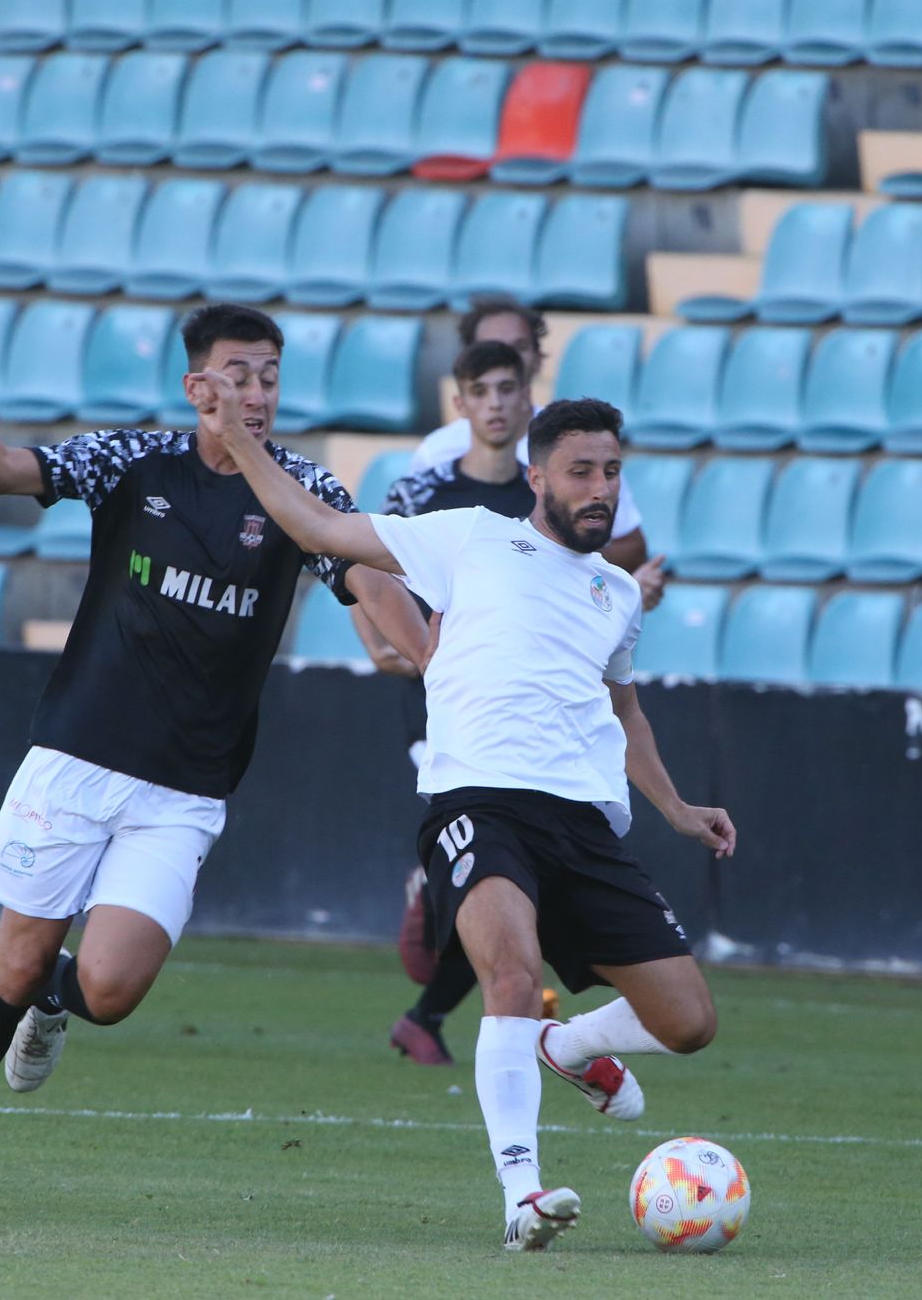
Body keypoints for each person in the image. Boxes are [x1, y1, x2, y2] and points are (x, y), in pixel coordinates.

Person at [0, 304, 431, 1213]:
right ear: (197, 386)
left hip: (185, 787)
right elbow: (5, 471)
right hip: (79, 755)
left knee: (112, 985)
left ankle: (58, 1000)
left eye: (270, 376)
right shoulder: (133, 461)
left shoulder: (301, 489)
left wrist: (428, 655)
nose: (257, 393)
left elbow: (369, 575)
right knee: (11, 961)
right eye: (239, 375)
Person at [199, 379, 737, 1251]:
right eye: (580, 472)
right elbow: (324, 532)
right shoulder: (468, 537)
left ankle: (565, 1050)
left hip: (585, 826)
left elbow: (624, 709)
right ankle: (523, 1195)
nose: (599, 489)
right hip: (480, 801)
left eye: (610, 472)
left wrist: (675, 808)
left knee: (688, 1022)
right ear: (537, 478)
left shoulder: (618, 594)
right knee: (512, 978)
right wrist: (242, 440)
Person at [360, 340, 541, 1066]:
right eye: (481, 390)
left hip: (523, 707)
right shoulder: (423, 489)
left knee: (516, 881)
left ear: (529, 398)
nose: (496, 403)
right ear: (459, 403)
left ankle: (428, 1003)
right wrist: (381, 647)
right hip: (443, 710)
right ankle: (438, 925)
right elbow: (362, 559)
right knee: (506, 874)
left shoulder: (541, 493)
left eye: (508, 388)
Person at [409, 298, 665, 612]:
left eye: (518, 347)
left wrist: (546, 566)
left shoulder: (576, 441)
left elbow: (630, 546)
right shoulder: (436, 452)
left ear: (539, 359)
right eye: (491, 346)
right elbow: (406, 558)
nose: (504, 357)